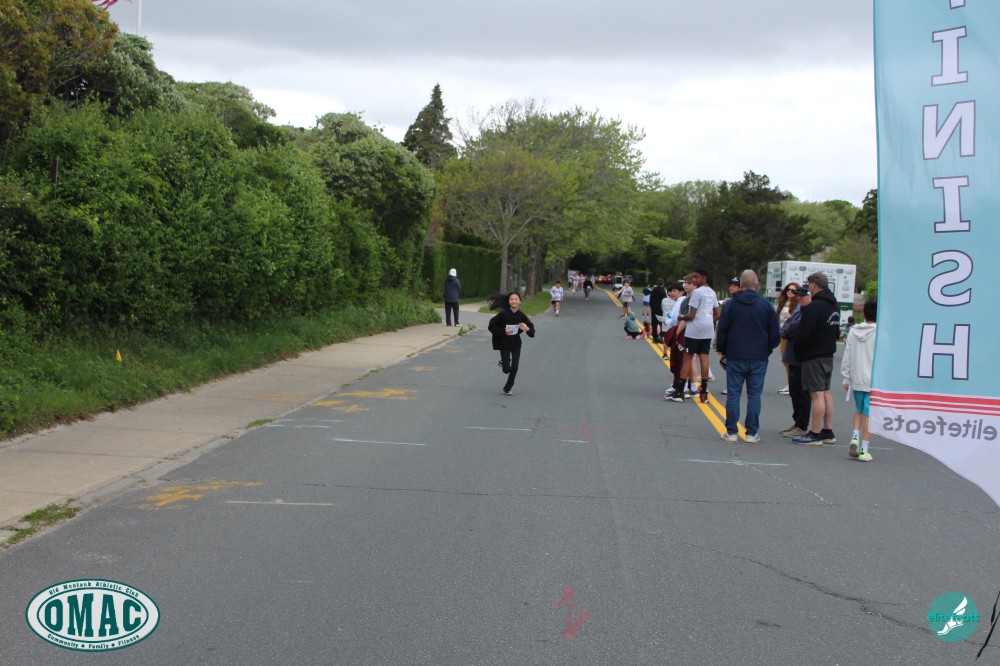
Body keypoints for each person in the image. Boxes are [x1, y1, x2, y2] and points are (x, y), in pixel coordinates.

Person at [715, 270, 780, 442]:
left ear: (740, 285)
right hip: (759, 356)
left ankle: (731, 431)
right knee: (754, 395)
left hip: (735, 354)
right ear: (757, 286)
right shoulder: (766, 306)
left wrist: (723, 351)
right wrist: (767, 348)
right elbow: (775, 334)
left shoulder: (730, 305)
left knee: (733, 394)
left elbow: (722, 331)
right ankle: (751, 432)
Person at [792, 272, 841, 445]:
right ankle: (827, 430)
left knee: (816, 394)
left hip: (814, 355)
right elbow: (836, 332)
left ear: (814, 285)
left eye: (809, 284)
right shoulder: (834, 306)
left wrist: (799, 349)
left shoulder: (814, 307)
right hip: (828, 354)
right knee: (826, 392)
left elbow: (804, 333)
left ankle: (814, 432)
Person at [841, 300, 877, 461]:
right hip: (873, 381)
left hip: (856, 377)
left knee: (859, 409)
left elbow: (847, 355)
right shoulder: (880, 333)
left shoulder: (853, 331)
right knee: (870, 414)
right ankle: (864, 449)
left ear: (864, 313)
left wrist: (846, 377)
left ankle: (855, 436)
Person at [678, 269, 720, 403]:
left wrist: (681, 317)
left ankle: (680, 391)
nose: (694, 280)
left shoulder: (697, 292)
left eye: (696, 277)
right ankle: (703, 392)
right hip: (708, 329)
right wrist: (707, 320)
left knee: (687, 358)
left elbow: (691, 315)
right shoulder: (712, 292)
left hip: (695, 329)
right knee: (704, 358)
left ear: (704, 278)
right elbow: (718, 314)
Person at [778, 287, 812, 439]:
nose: (800, 299)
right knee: (794, 391)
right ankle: (797, 422)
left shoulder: (808, 313)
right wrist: (787, 327)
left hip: (801, 358)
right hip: (792, 356)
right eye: (799, 296)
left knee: (801, 393)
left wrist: (787, 327)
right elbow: (785, 328)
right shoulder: (799, 312)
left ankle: (802, 425)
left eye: (803, 296)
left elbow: (792, 328)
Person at [487, 292, 536, 396]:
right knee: (506, 370)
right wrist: (504, 331)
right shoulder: (503, 314)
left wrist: (527, 329)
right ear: (509, 301)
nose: (514, 301)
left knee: (514, 367)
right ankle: (505, 362)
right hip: (504, 343)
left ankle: (508, 388)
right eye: (511, 299)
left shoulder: (521, 315)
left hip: (516, 344)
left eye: (516, 299)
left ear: (520, 301)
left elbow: (532, 331)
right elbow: (491, 326)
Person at [665, 278, 695, 402]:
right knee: (690, 360)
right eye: (671, 291)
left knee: (681, 361)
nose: (672, 293)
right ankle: (691, 387)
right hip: (693, 333)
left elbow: (682, 319)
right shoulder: (688, 299)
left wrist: (676, 334)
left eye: (675, 291)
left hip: (684, 333)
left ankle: (681, 387)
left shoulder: (684, 301)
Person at [775, 282, 800, 395]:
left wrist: (791, 317)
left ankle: (792, 385)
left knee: (790, 361)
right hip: (782, 334)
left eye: (793, 290)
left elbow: (799, 318)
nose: (790, 292)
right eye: (788, 290)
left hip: (791, 335)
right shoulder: (783, 302)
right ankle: (790, 383)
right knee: (785, 361)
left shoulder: (798, 305)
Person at [648, 278, 667, 343]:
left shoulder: (653, 290)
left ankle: (655, 338)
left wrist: (652, 307)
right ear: (663, 284)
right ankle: (661, 337)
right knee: (661, 324)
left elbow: (650, 300)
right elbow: (665, 301)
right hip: (660, 309)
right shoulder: (662, 291)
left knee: (654, 324)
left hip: (653, 309)